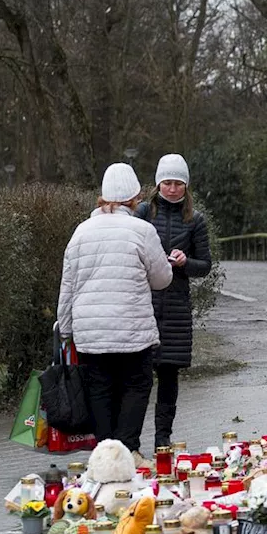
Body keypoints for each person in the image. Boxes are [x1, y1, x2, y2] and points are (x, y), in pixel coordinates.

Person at [58, 163, 172, 465]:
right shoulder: (142, 230)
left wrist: (66, 330)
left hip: (90, 332)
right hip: (132, 329)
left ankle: (105, 454)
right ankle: (129, 450)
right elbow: (162, 279)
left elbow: (67, 286)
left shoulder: (81, 232)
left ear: (102, 196)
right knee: (136, 384)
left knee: (99, 388)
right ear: (135, 196)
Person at [136, 153, 212, 451]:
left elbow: (204, 265)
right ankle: (130, 440)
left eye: (178, 183)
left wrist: (184, 262)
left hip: (177, 307)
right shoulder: (143, 213)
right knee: (139, 376)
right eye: (167, 183)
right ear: (157, 184)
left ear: (186, 186)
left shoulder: (195, 220)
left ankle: (162, 439)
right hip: (144, 303)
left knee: (169, 375)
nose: (172, 189)